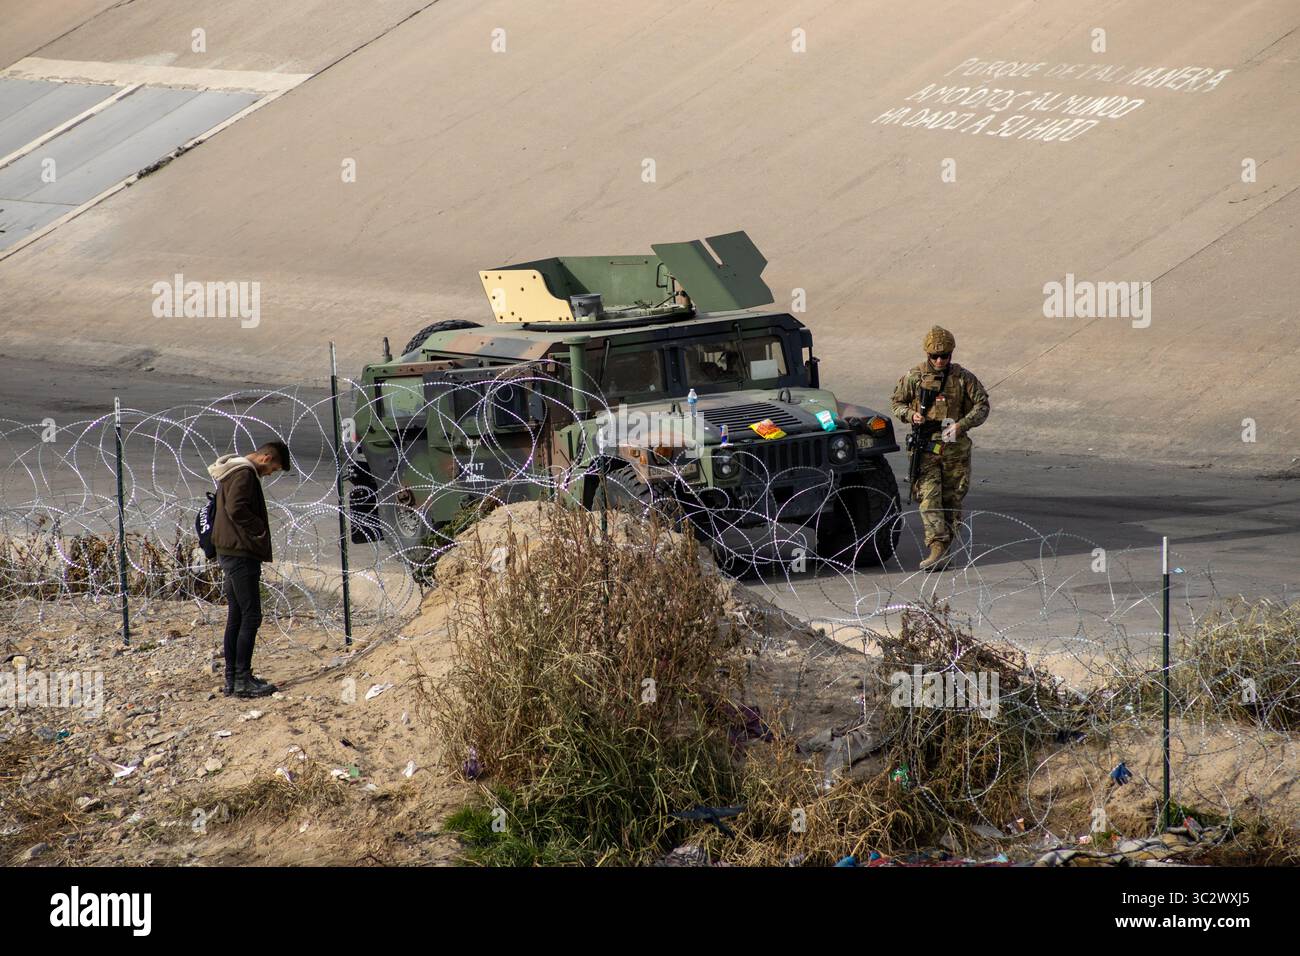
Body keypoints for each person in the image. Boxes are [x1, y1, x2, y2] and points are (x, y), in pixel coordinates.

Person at [890, 327, 989, 571]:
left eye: (944, 356)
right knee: (928, 498)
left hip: (954, 448)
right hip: (925, 448)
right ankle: (936, 547)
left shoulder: (963, 378)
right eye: (934, 357)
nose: (939, 361)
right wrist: (911, 415)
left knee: (951, 500)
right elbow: (896, 403)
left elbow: (982, 405)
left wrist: (961, 425)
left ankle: (943, 551)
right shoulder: (915, 376)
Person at [208, 441, 291, 698]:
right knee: (250, 615)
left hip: (229, 550)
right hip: (240, 552)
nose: (269, 475)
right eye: (273, 469)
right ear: (266, 458)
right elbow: (236, 508)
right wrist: (258, 529)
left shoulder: (232, 470)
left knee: (237, 615)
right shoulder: (245, 473)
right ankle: (242, 680)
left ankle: (233, 678)